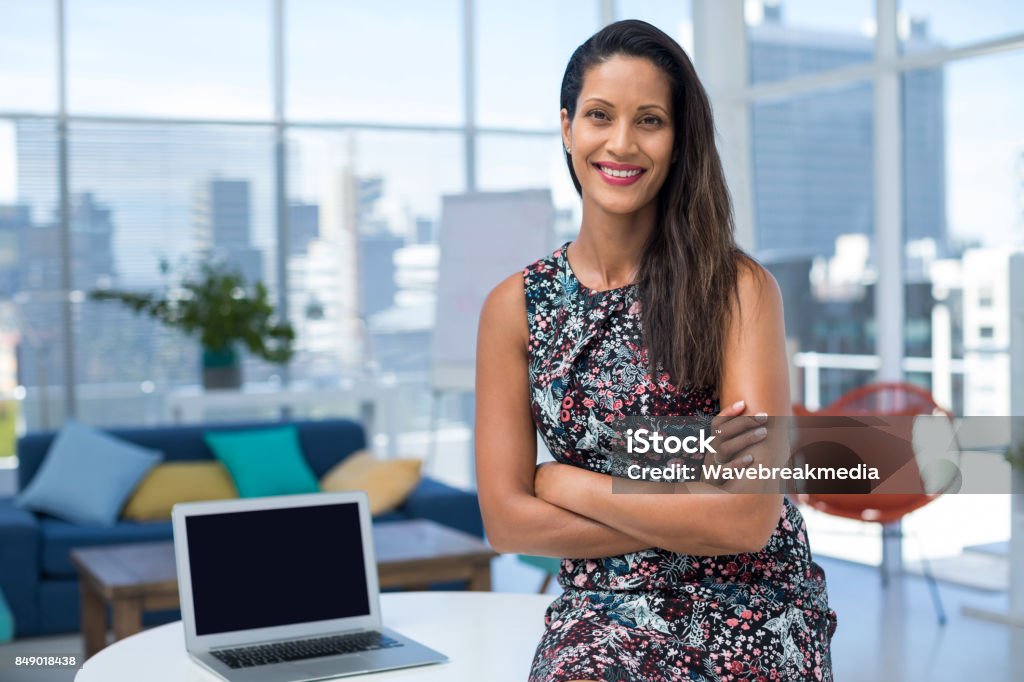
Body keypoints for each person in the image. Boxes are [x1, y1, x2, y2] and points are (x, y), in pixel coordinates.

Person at [475, 19, 837, 682]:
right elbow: (506, 522)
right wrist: (694, 505)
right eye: (599, 116)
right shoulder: (514, 308)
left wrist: (566, 483)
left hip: (751, 602)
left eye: (649, 120)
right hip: (602, 608)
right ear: (566, 128)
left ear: (677, 140)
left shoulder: (737, 288)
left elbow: (747, 522)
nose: (621, 142)